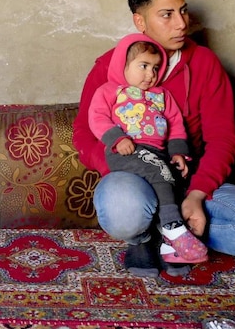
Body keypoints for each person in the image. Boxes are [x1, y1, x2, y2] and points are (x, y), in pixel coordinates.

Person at [73, 0, 235, 277]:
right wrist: (122, 165)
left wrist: (197, 194)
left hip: (188, 181)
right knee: (121, 204)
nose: (182, 24)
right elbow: (84, 131)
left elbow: (223, 138)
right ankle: (144, 236)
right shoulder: (110, 66)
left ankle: (176, 233)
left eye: (183, 10)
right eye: (167, 15)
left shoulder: (204, 63)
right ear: (140, 22)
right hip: (135, 177)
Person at [88, 33, 208, 265]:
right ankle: (173, 228)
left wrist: (177, 152)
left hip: (158, 153)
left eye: (155, 68)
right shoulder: (111, 90)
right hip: (126, 151)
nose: (150, 74)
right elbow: (97, 117)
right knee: (160, 173)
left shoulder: (162, 96)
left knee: (172, 179)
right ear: (122, 64)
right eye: (143, 66)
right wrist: (117, 139)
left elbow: (175, 125)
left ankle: (167, 248)